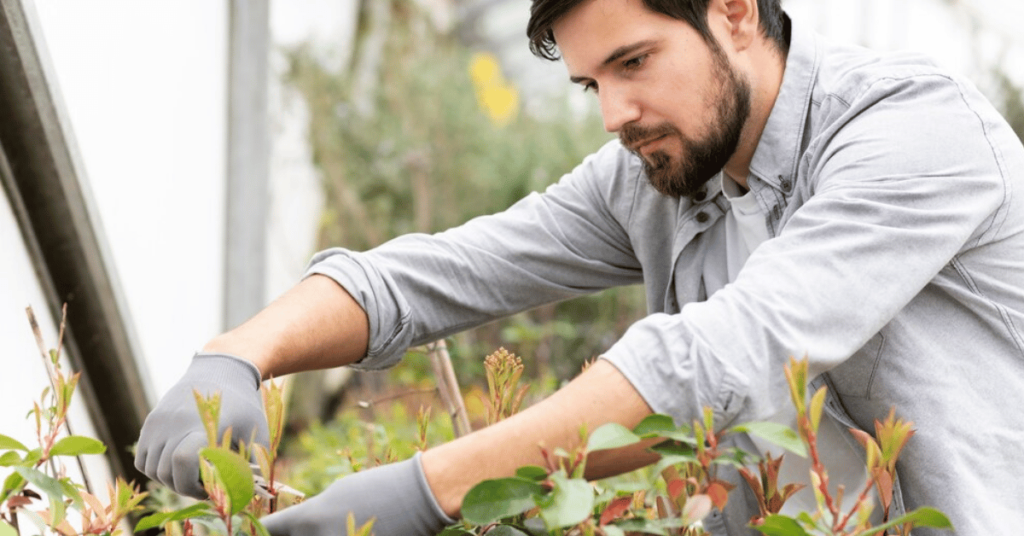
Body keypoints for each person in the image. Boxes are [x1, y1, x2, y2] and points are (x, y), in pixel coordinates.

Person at [134, 0, 1024, 534]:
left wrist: (430, 491)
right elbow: (440, 274)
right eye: (593, 82)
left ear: (735, 11)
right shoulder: (659, 170)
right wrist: (240, 354)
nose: (614, 114)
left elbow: (718, 357)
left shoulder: (913, 133)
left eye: (634, 62)